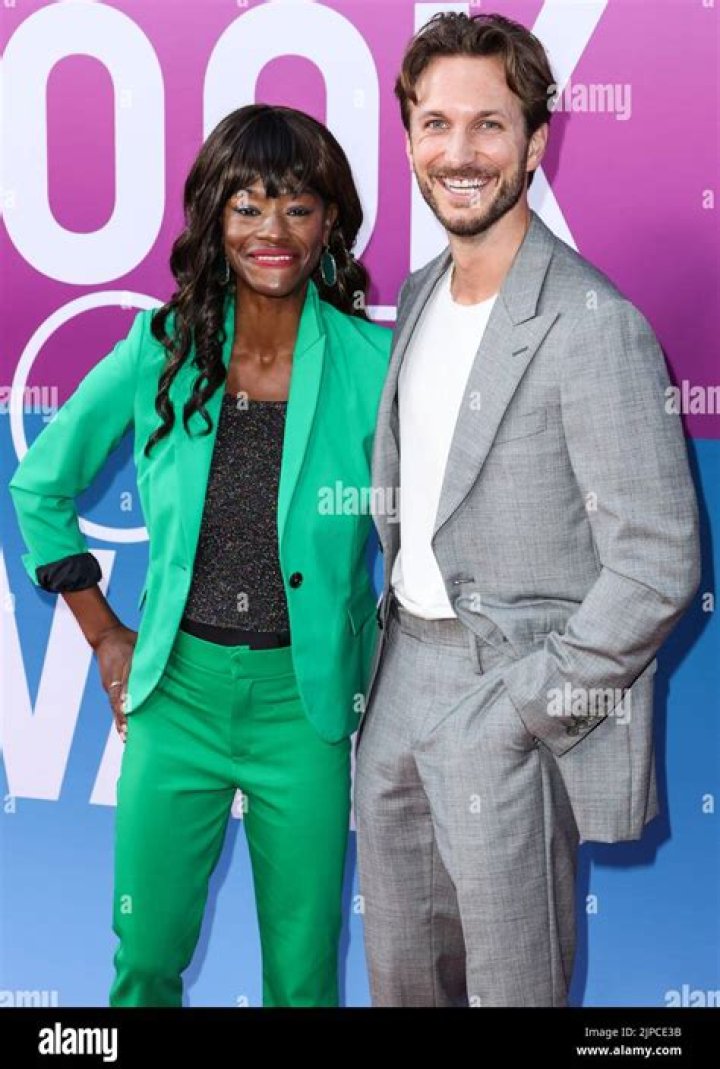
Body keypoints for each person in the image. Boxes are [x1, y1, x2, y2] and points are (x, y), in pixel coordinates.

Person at [9, 104, 391, 1007]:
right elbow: (40, 489)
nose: (273, 231)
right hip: (176, 699)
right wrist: (105, 634)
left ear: (330, 223)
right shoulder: (161, 348)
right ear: (214, 219)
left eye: (298, 207)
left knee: (303, 976)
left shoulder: (375, 362)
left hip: (305, 710)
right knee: (146, 958)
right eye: (247, 205)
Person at [354, 12, 701, 1007]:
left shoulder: (595, 325)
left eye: (489, 125)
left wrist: (516, 711)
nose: (459, 153)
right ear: (409, 140)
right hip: (398, 677)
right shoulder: (418, 294)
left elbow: (659, 563)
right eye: (435, 124)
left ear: (536, 141)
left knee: (514, 990)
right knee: (400, 983)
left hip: (511, 691)